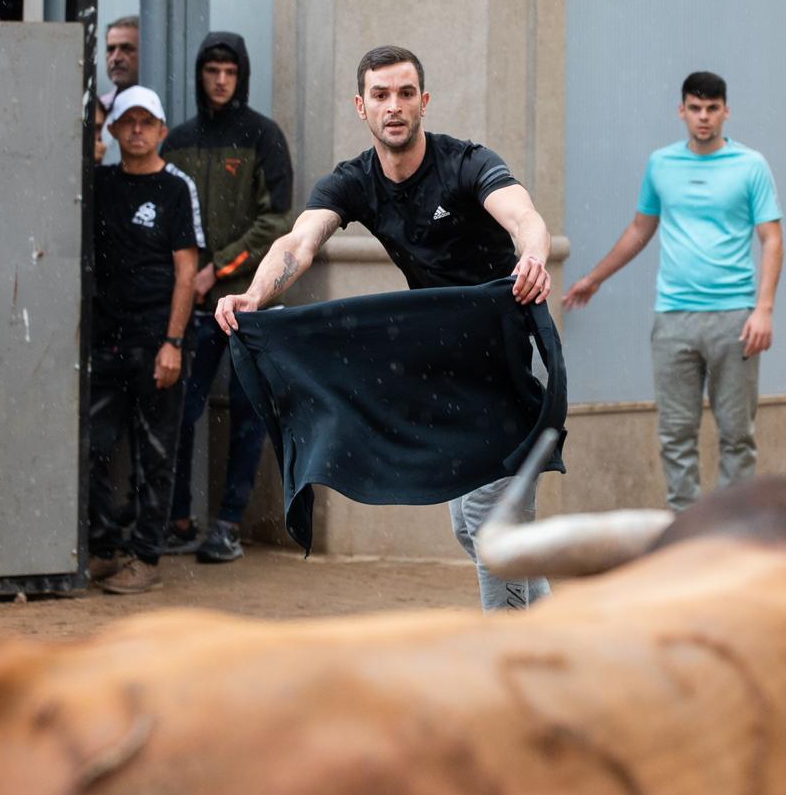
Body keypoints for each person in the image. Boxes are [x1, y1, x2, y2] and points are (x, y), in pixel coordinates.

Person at [216, 44, 554, 611]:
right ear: (361, 106)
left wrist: (535, 257)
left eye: (404, 94)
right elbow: (299, 242)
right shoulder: (355, 181)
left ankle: (513, 671)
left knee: (491, 530)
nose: (393, 106)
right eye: (380, 95)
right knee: (471, 532)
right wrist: (253, 295)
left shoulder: (465, 162)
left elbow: (524, 217)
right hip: (444, 370)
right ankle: (559, 633)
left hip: (506, 362)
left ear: (423, 102)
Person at [562, 70, 783, 511]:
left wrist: (764, 309)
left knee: (737, 434)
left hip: (734, 319)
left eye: (712, 109)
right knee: (676, 433)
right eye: (695, 109)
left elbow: (771, 238)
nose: (704, 118)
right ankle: (684, 528)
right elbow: (640, 230)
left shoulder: (751, 166)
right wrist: (595, 277)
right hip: (674, 318)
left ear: (726, 111)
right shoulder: (661, 164)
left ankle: (733, 530)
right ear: (681, 112)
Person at [157, 32, 293, 564]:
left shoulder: (264, 136)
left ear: (242, 76)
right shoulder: (179, 140)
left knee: (247, 411)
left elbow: (277, 220)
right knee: (182, 407)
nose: (219, 80)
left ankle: (229, 523)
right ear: (199, 74)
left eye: (229, 71)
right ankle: (178, 518)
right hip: (190, 304)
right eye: (211, 69)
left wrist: (220, 268)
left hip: (249, 302)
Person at [89, 86, 202, 595]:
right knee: (95, 446)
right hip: (103, 342)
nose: (136, 130)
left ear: (161, 130)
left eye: (146, 122)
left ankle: (147, 556)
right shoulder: (97, 183)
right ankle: (106, 548)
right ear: (113, 130)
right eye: (126, 121)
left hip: (158, 341)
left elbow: (186, 272)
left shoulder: (176, 188)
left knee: (156, 453)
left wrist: (173, 341)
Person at [93, 14, 139, 164]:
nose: (116, 57)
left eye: (127, 48)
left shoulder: (163, 104)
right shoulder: (98, 109)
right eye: (110, 49)